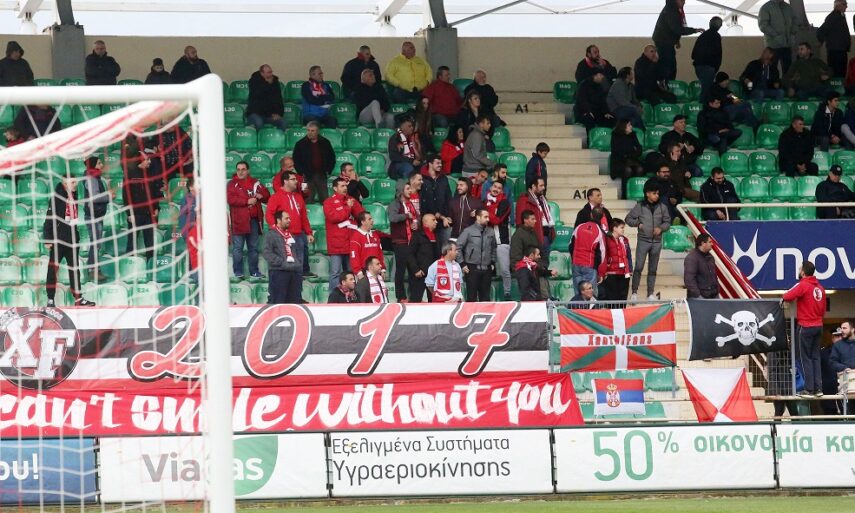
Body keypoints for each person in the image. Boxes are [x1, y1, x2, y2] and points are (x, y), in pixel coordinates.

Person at [43, 176, 95, 307]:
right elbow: (49, 219)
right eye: (72, 182)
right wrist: (47, 239)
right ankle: (50, 299)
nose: (76, 184)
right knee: (52, 269)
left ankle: (78, 298)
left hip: (72, 240)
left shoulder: (73, 196)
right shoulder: (56, 198)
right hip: (58, 240)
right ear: (64, 184)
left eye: (75, 181)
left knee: (74, 270)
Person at [783, 261, 828, 397]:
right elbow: (823, 310)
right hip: (818, 326)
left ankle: (809, 389)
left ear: (803, 272)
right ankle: (818, 389)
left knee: (805, 358)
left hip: (806, 326)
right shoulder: (820, 288)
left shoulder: (803, 285)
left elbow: (787, 296)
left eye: (799, 269)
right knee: (815, 357)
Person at [626, 182, 671, 301]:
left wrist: (661, 228)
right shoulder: (640, 206)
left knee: (653, 269)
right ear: (647, 194)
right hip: (643, 241)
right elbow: (628, 219)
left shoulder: (662, 207)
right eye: (654, 193)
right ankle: (634, 293)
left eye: (658, 193)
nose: (657, 195)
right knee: (638, 267)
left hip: (657, 242)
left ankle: (650, 294)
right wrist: (638, 224)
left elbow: (667, 222)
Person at [227, 161, 270, 279]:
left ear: (248, 171)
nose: (240, 172)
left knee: (253, 248)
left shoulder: (255, 182)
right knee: (238, 248)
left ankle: (254, 272)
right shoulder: (232, 184)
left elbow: (267, 195)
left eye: (243, 169)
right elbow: (230, 199)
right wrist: (247, 201)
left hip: (253, 220)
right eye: (238, 169)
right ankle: (238, 272)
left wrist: (262, 196)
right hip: (238, 221)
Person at [266, 171, 314, 276]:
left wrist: (308, 232)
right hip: (284, 237)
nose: (296, 181)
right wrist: (277, 230)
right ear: (285, 181)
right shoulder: (276, 197)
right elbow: (269, 215)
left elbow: (303, 217)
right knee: (286, 266)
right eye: (293, 179)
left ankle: (298, 285)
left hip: (299, 235)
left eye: (296, 179)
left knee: (299, 266)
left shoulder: (298, 197)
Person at [123, 136, 161, 263]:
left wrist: (156, 208)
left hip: (149, 214)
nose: (149, 162)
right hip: (136, 214)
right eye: (147, 160)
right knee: (132, 242)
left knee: (150, 242)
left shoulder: (150, 174)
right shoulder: (129, 175)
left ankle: (151, 264)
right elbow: (126, 196)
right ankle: (129, 265)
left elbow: (155, 192)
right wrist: (130, 214)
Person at [324, 176, 365, 292]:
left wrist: (354, 211)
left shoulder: (351, 200)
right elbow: (334, 217)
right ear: (335, 188)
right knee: (335, 273)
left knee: (351, 273)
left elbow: (361, 216)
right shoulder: (328, 202)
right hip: (336, 243)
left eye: (346, 186)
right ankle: (333, 298)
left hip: (351, 242)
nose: (345, 188)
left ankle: (353, 296)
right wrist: (348, 208)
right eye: (342, 186)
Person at [652, 0, 704, 81]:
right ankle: (667, 84)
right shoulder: (672, 10)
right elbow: (677, 28)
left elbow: (673, 28)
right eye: (682, 0)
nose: (684, 3)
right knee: (669, 66)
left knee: (668, 65)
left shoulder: (671, 9)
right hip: (664, 42)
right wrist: (694, 30)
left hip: (664, 40)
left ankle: (665, 82)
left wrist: (676, 40)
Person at [388, 177, 420, 302]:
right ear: (401, 191)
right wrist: (406, 216)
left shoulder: (410, 203)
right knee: (401, 270)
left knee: (413, 270)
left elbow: (417, 217)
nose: (410, 190)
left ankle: (414, 297)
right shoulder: (394, 204)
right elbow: (393, 218)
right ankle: (401, 297)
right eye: (407, 189)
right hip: (400, 242)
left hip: (411, 241)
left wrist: (416, 224)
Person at [456, 209, 497, 302]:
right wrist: (462, 263)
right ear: (478, 217)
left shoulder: (491, 231)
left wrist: (492, 262)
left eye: (488, 217)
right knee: (471, 298)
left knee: (485, 298)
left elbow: (494, 247)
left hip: (487, 269)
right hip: (471, 268)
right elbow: (458, 247)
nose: (488, 219)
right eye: (485, 217)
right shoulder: (468, 231)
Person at [263, 210, 303, 304]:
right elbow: (266, 252)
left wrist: (297, 263)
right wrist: (281, 262)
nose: (289, 220)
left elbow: (296, 251)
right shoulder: (270, 235)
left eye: (289, 218)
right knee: (279, 303)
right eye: (286, 218)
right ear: (278, 220)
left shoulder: (290, 235)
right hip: (279, 273)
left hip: (294, 272)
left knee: (294, 304)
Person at [80, 156, 110, 281]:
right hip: (93, 216)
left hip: (96, 215)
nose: (101, 165)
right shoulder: (91, 179)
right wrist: (109, 196)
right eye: (99, 163)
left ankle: (94, 270)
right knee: (95, 244)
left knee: (96, 244)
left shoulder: (94, 177)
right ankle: (93, 271)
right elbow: (95, 197)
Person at [292, 121, 336, 203]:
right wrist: (301, 173)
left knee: (325, 199)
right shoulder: (300, 144)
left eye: (312, 131)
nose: (310, 133)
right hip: (306, 176)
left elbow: (332, 158)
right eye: (308, 130)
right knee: (306, 199)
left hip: (321, 175)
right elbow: (296, 160)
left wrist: (328, 170)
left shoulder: (325, 142)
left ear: (318, 131)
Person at [515, 177, 555, 263]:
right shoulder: (524, 200)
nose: (544, 188)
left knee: (545, 264)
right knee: (535, 265)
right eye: (541, 185)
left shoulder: (543, 199)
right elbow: (520, 222)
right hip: (533, 239)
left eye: (544, 185)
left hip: (546, 237)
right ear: (533, 186)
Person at [570, 207, 606, 296]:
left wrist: (574, 259)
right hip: (589, 266)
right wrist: (597, 268)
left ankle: (578, 306)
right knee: (590, 295)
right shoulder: (599, 231)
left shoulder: (579, 227)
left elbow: (570, 245)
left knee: (578, 294)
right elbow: (602, 254)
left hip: (576, 264)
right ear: (602, 217)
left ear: (591, 215)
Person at [485, 181, 512, 300]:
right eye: (494, 186)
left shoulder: (504, 203)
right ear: (490, 187)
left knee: (505, 270)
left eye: (499, 188)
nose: (496, 189)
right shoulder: (485, 201)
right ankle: (487, 295)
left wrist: (485, 213)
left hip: (501, 240)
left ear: (502, 191)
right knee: (487, 270)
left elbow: (497, 220)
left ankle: (507, 293)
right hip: (487, 240)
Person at [419, 155, 452, 247]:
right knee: (428, 248)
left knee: (445, 247)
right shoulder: (422, 179)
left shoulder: (443, 178)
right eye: (437, 163)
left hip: (443, 220)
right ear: (430, 163)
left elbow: (448, 198)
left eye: (441, 163)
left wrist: (448, 215)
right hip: (427, 220)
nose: (440, 165)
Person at [598, 218, 633, 301]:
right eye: (621, 227)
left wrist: (630, 269)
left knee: (622, 299)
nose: (623, 230)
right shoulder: (606, 239)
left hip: (624, 273)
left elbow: (628, 256)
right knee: (612, 299)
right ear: (614, 228)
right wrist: (603, 272)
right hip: (611, 274)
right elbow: (604, 256)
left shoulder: (625, 240)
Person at [758, 0, 797, 74]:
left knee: (788, 68)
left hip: (787, 44)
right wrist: (776, 35)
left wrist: (793, 32)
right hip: (773, 45)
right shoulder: (766, 7)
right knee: (771, 68)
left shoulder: (788, 7)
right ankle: (772, 81)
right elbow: (763, 25)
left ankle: (786, 81)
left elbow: (795, 20)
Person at [407, 213, 440, 302]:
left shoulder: (436, 235)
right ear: (425, 222)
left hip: (433, 275)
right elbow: (410, 254)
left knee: (434, 300)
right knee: (416, 300)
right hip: (420, 274)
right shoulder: (417, 235)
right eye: (433, 220)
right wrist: (416, 269)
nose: (436, 222)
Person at [610, 120, 645, 199]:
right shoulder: (615, 135)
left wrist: (631, 155)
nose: (631, 127)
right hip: (618, 162)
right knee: (627, 170)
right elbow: (617, 151)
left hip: (631, 159)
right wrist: (629, 154)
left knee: (640, 169)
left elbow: (639, 149)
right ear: (623, 127)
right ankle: (625, 194)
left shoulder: (633, 135)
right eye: (629, 125)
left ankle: (636, 191)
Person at [691, 17, 723, 102]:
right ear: (720, 26)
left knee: (706, 90)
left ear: (710, 23)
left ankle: (704, 106)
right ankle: (703, 108)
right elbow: (718, 54)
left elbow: (693, 54)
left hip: (698, 66)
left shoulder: (702, 36)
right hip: (709, 67)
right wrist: (715, 67)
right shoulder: (716, 36)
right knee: (706, 92)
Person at [816, 0, 850, 78]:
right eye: (844, 4)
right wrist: (820, 40)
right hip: (835, 50)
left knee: (841, 72)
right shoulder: (833, 16)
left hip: (841, 49)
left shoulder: (840, 16)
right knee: (836, 72)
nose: (846, 6)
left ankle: (839, 85)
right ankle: (836, 86)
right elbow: (822, 29)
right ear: (838, 5)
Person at [246, 64, 285, 131]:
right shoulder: (254, 81)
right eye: (268, 72)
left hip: (270, 114)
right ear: (262, 73)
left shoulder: (275, 82)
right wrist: (267, 84)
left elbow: (278, 99)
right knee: (259, 123)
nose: (271, 74)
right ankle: (259, 137)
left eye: (271, 72)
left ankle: (278, 137)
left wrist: (278, 114)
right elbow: (258, 95)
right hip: (255, 113)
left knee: (283, 122)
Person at [350, 212, 386, 279]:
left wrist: (382, 269)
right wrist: (359, 272)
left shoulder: (375, 235)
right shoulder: (356, 237)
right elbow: (354, 257)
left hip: (377, 271)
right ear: (363, 222)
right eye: (369, 219)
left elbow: (380, 254)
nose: (372, 220)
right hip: (363, 273)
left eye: (371, 218)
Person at [683, 233, 719, 298]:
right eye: (710, 242)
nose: (712, 244)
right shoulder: (692, 258)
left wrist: (717, 291)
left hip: (713, 296)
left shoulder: (710, 257)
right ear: (703, 243)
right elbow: (689, 280)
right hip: (700, 298)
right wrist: (698, 296)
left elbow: (714, 276)